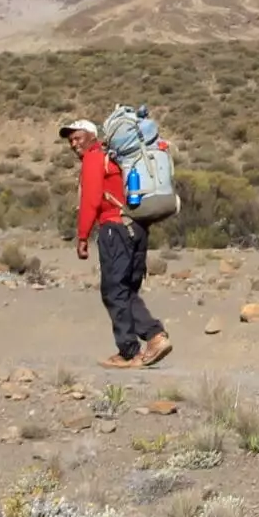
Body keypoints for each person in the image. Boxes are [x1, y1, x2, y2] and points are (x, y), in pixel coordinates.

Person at [65, 118, 171, 370]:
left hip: (115, 230)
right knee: (126, 290)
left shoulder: (94, 157)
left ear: (92, 136)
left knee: (113, 291)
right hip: (137, 227)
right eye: (70, 140)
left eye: (78, 137)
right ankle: (154, 338)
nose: (73, 144)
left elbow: (91, 199)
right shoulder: (115, 157)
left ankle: (131, 350)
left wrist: (82, 237)